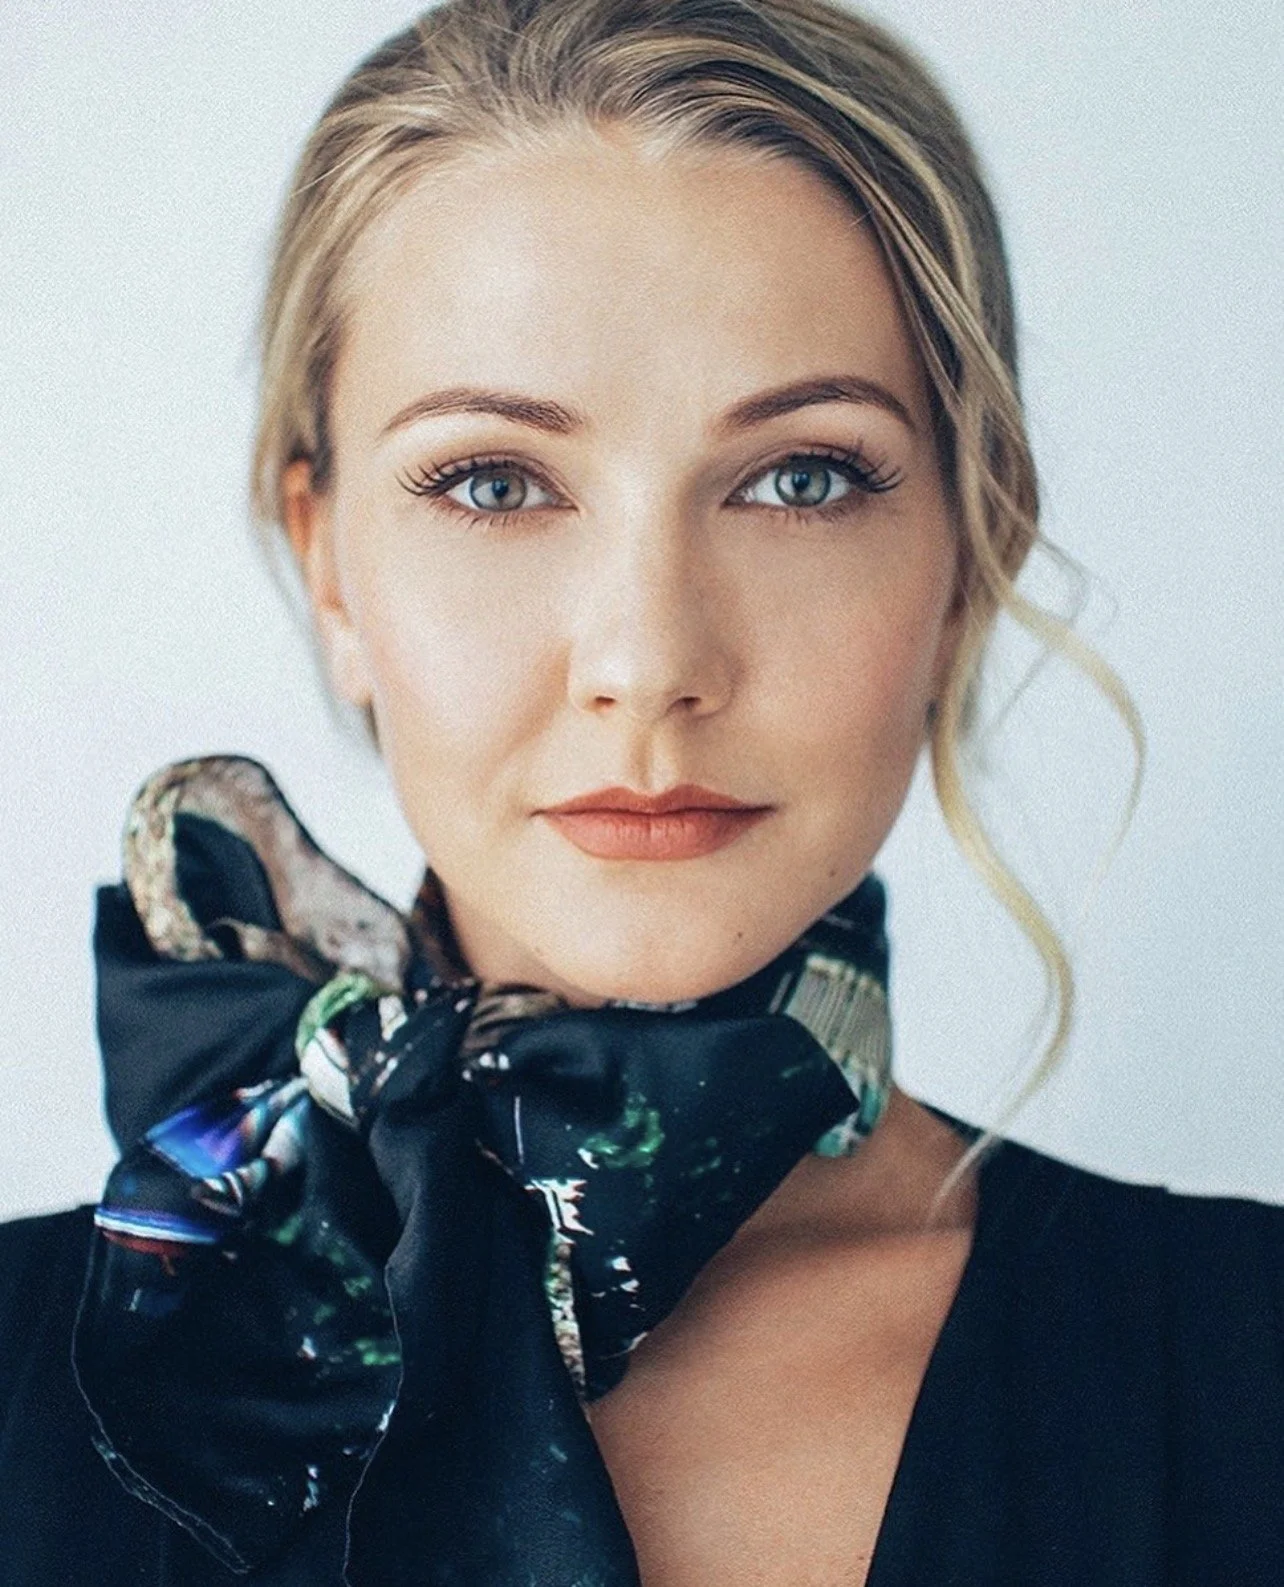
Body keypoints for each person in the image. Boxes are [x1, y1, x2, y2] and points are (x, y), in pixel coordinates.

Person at [1, 1, 1280, 1583]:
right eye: (494, 481)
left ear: (967, 554)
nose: (650, 658)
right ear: (332, 565)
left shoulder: (1247, 1363)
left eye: (803, 477)